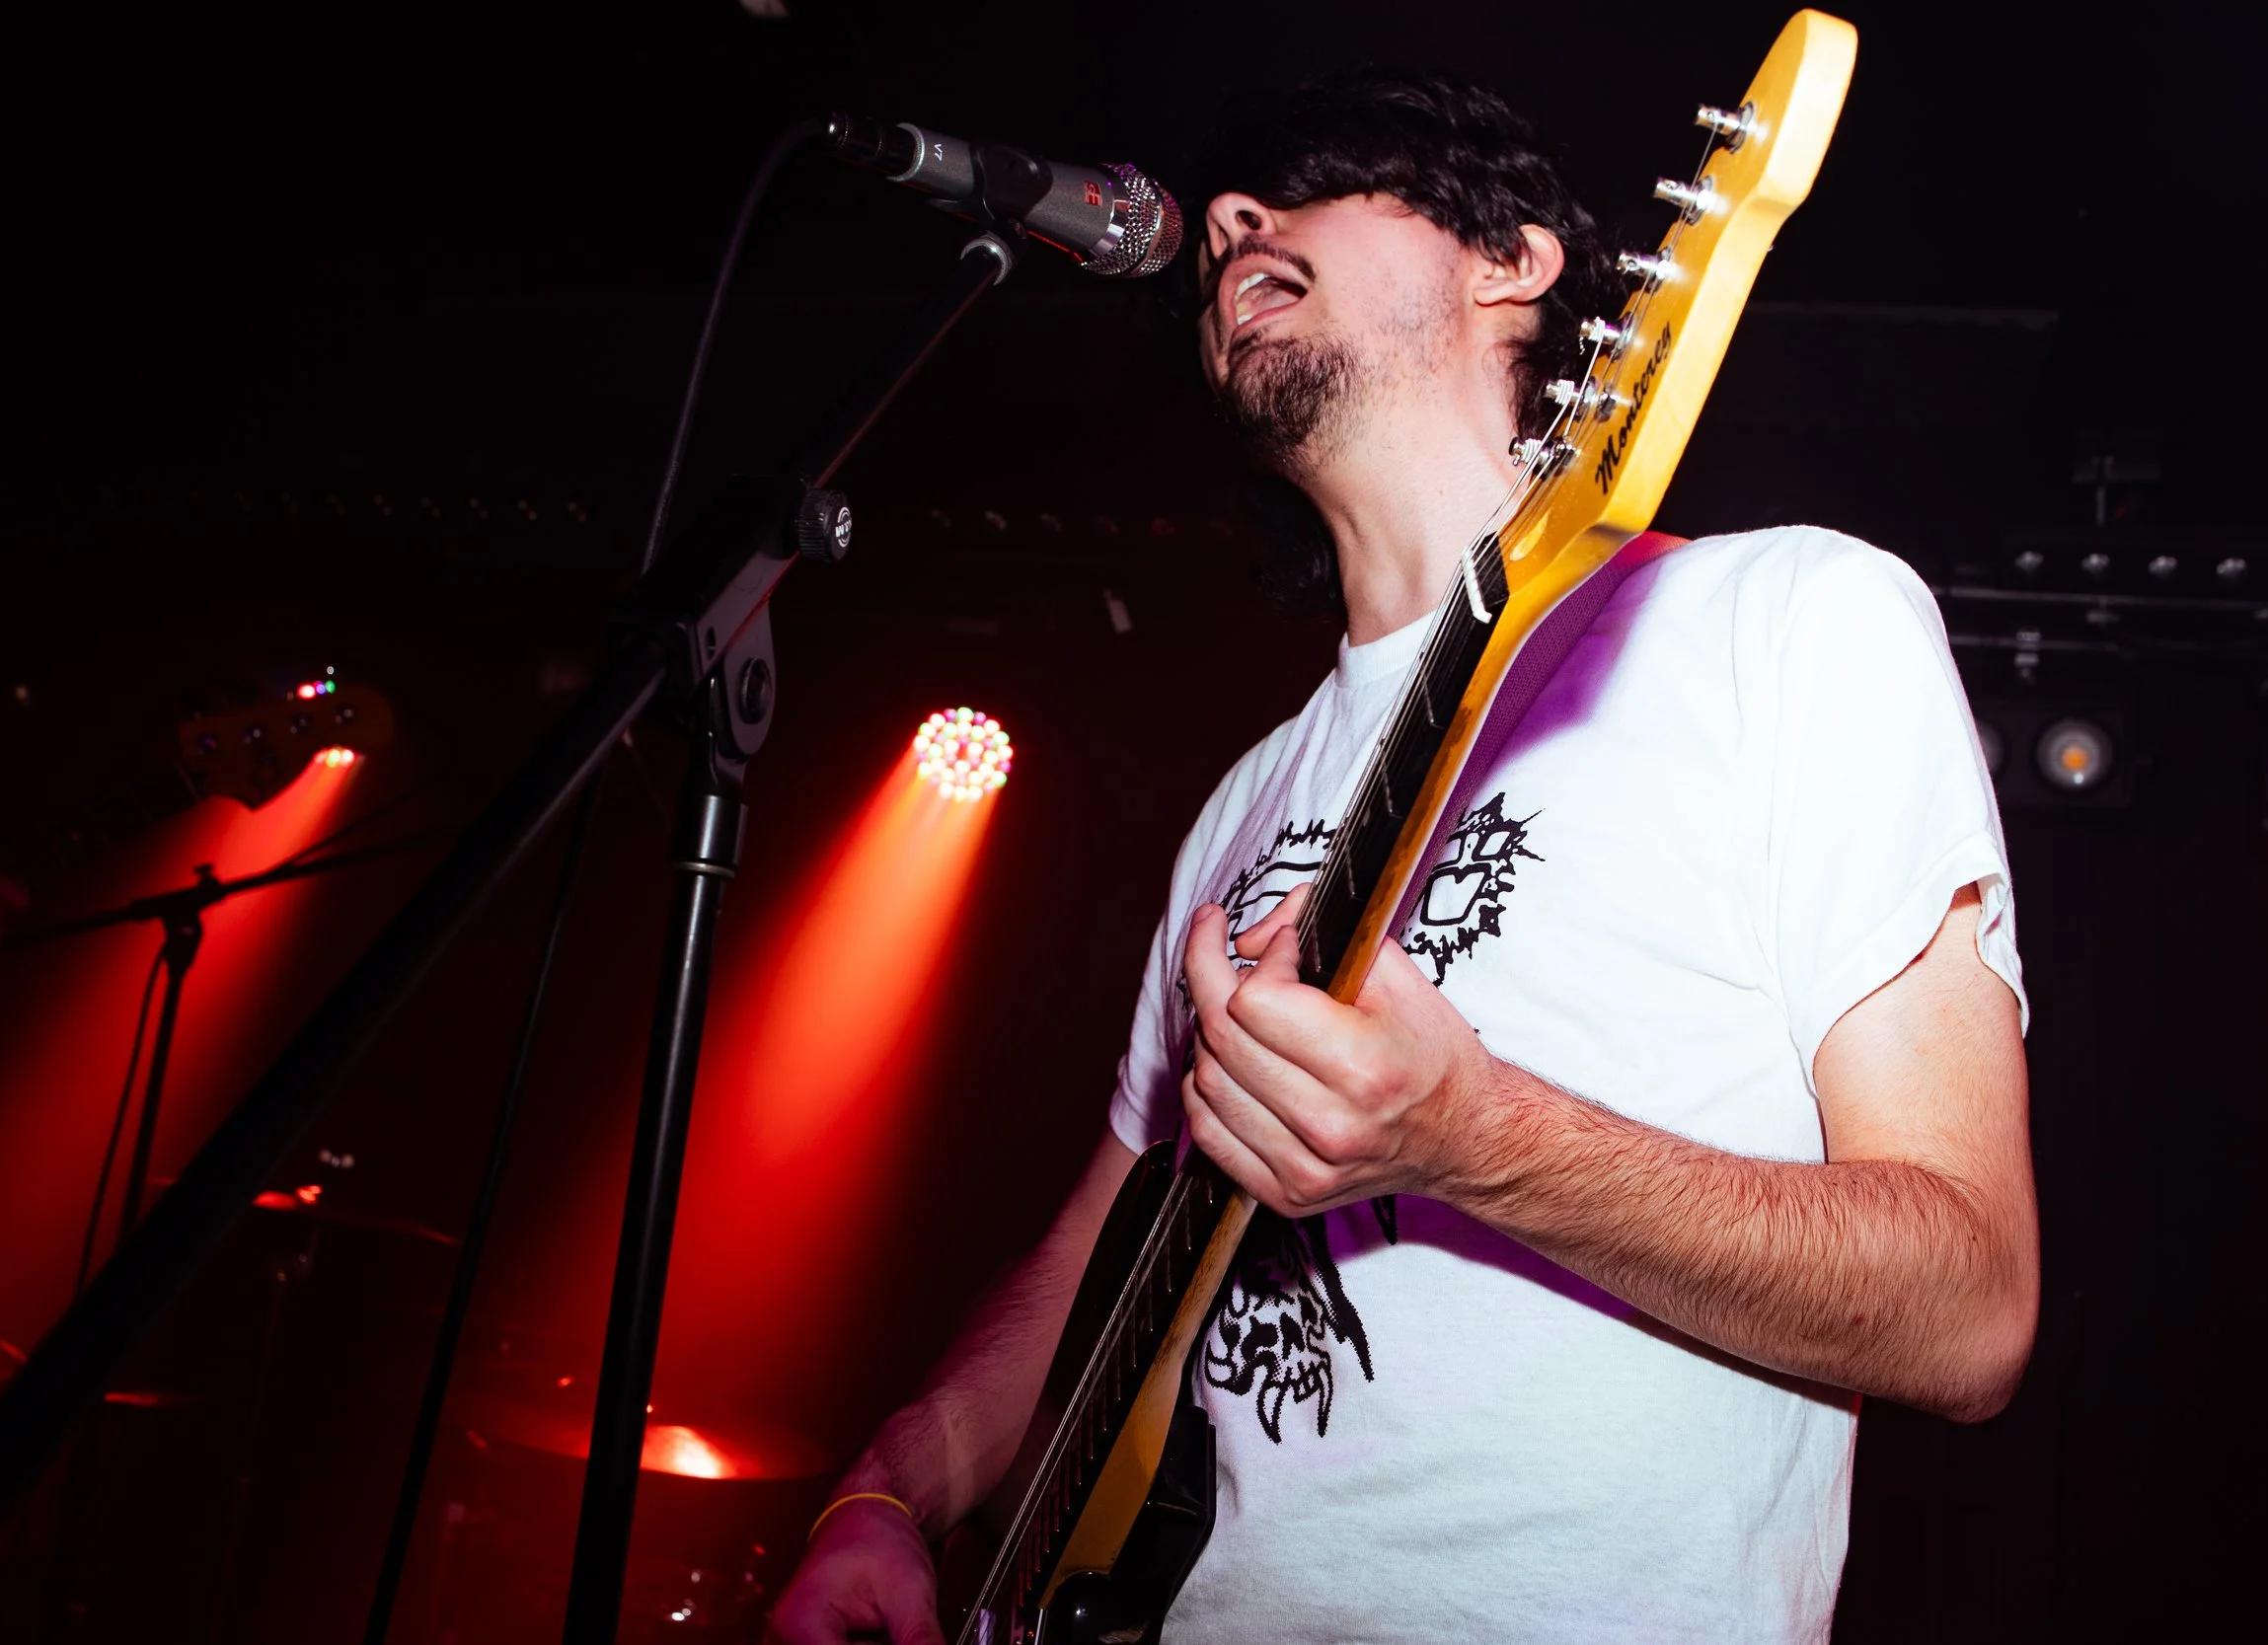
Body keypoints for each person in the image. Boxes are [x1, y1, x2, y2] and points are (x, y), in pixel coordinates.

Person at [769, 69, 2036, 1644]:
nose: (1232, 220)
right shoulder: (1244, 802)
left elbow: (1970, 1305)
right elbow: (1099, 1246)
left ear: (1512, 258)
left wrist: (1478, 1135)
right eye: (1231, 212)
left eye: (1309, 185)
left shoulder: (1790, 622)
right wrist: (890, 1490)